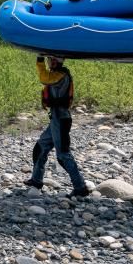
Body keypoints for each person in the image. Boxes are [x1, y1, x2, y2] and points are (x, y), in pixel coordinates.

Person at [24, 55, 91, 198]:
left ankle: (80, 188)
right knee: (40, 148)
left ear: (55, 61)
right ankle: (36, 181)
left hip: (61, 120)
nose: (48, 62)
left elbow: (44, 78)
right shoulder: (57, 74)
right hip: (56, 118)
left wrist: (39, 59)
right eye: (47, 60)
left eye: (50, 60)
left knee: (63, 156)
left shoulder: (61, 75)